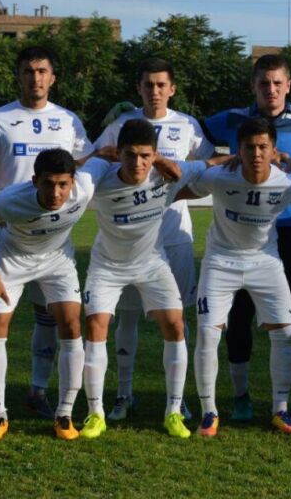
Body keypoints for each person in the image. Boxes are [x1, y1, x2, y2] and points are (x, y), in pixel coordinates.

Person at [200, 54, 291, 420]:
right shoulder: (231, 119)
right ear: (253, 86)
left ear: (288, 85)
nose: (271, 89)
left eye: (277, 83)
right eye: (264, 83)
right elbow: (193, 134)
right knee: (240, 315)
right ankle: (241, 396)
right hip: (242, 233)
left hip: (289, 228)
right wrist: (219, 160)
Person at [0, 46, 93, 419]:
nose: (35, 78)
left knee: (48, 317)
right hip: (11, 232)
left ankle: (38, 391)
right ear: (18, 76)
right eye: (28, 71)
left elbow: (84, 163)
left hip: (53, 239)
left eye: (42, 71)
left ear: (52, 78)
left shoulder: (68, 120)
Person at [93, 58, 216, 422]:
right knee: (127, 317)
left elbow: (206, 166)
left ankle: (178, 400)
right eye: (148, 84)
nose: (155, 91)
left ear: (172, 89)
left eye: (162, 85)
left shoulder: (187, 125)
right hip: (127, 239)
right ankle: (124, 394)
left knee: (177, 319)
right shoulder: (121, 124)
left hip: (174, 235)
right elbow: (97, 157)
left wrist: (175, 181)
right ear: (139, 88)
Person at [78, 119, 212, 440]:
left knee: (176, 325)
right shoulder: (100, 175)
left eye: (145, 156)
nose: (137, 163)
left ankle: (173, 410)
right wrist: (96, 156)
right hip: (107, 266)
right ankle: (95, 413)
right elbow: (71, 173)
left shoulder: (164, 175)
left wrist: (164, 161)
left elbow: (209, 165)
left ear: (154, 155)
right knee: (96, 325)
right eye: (130, 155)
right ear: (118, 153)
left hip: (152, 264)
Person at [182, 118, 291, 437]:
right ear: (238, 150)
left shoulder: (287, 183)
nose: (256, 154)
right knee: (208, 334)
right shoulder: (219, 177)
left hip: (265, 262)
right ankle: (209, 412)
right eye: (249, 147)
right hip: (220, 261)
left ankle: (280, 409)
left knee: (285, 332)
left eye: (263, 147)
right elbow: (179, 188)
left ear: (273, 150)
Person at [0, 149, 94, 441]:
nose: (56, 193)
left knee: (71, 323)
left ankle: (64, 414)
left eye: (63, 184)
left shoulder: (85, 188)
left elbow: (106, 158)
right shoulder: (9, 201)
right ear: (35, 181)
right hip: (11, 258)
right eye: (48, 183)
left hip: (57, 259)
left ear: (73, 182)